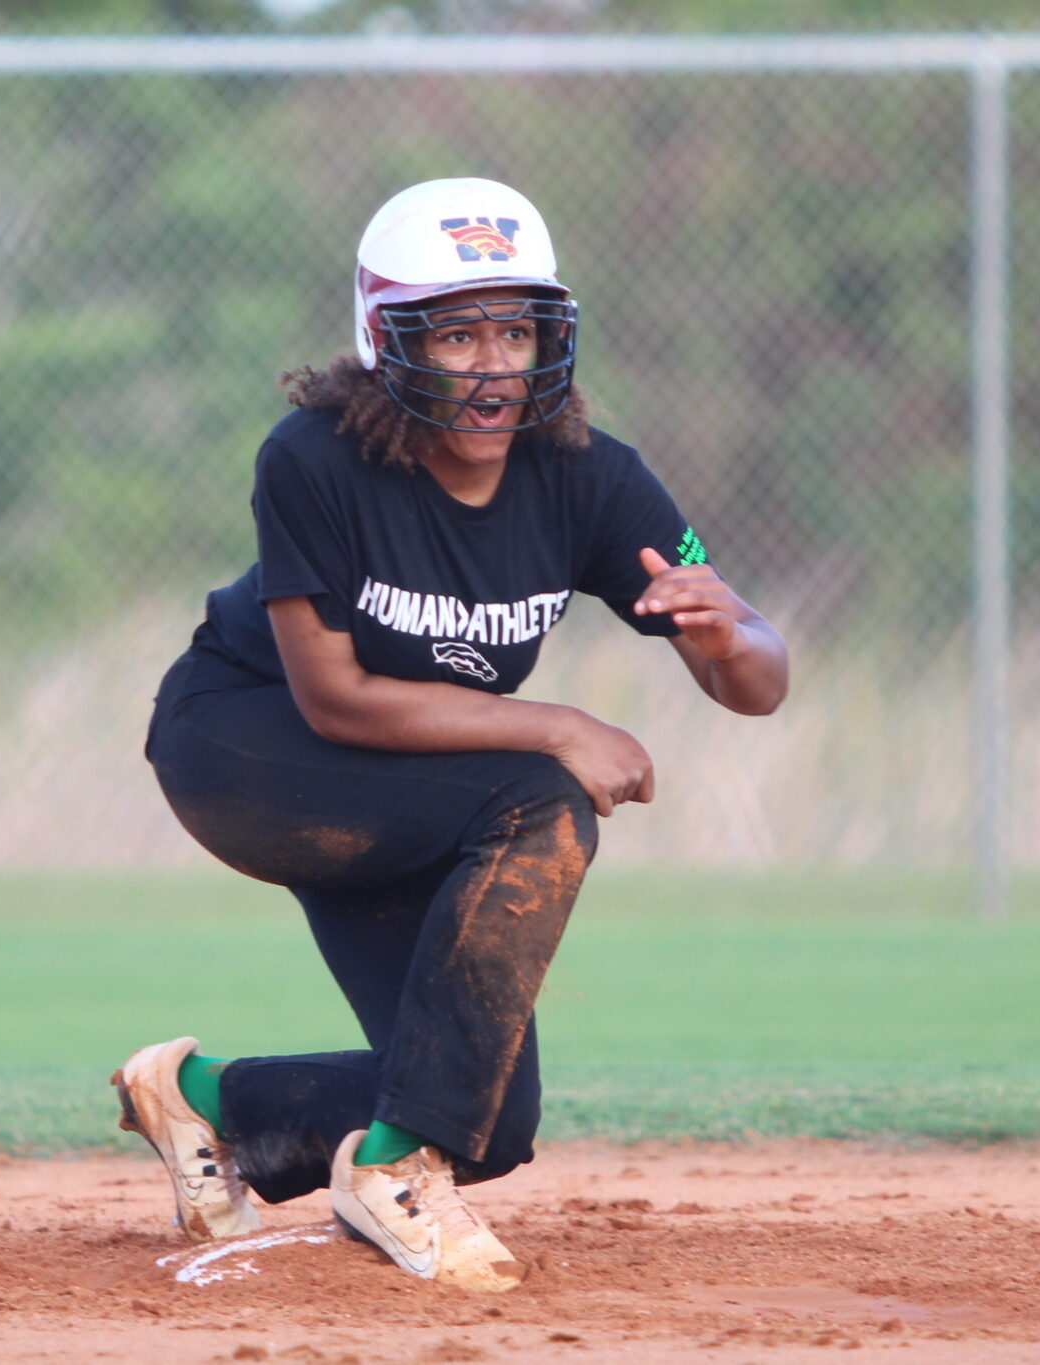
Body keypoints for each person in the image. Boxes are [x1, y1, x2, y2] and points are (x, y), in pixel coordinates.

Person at [113, 177, 788, 1293]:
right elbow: (332, 700)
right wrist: (560, 724)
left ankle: (205, 1100)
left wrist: (729, 632)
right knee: (540, 793)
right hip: (242, 747)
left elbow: (755, 682)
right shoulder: (315, 459)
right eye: (459, 333)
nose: (493, 364)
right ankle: (387, 1174)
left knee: (491, 1113)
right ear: (386, 341)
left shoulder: (585, 476)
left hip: (403, 788)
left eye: (515, 331)